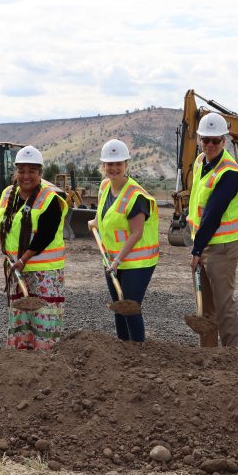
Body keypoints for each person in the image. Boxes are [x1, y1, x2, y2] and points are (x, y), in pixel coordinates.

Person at [0, 145, 69, 350]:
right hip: (18, 269)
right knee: (22, 317)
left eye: (32, 171)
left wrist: (22, 260)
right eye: (21, 170)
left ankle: (44, 361)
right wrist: (1, 233)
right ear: (15, 171)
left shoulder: (50, 199)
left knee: (43, 317)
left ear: (40, 173)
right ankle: (21, 360)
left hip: (44, 273)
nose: (26, 176)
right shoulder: (8, 194)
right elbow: (6, 220)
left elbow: (44, 237)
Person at [87, 139, 159, 342]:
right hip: (111, 259)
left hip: (137, 262)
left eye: (118, 163)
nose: (114, 168)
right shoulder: (104, 187)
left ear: (126, 165)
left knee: (129, 306)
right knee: (118, 306)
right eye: (109, 164)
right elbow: (107, 214)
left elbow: (136, 232)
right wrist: (95, 222)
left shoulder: (136, 196)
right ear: (103, 166)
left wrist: (118, 260)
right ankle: (121, 350)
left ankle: (136, 350)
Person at [187, 112, 238, 348]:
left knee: (223, 304)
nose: (209, 145)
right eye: (205, 140)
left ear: (224, 141)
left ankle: (232, 355)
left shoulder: (230, 173)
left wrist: (197, 249)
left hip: (222, 247)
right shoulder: (201, 162)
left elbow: (213, 213)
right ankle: (208, 355)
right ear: (200, 139)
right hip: (203, 243)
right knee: (205, 304)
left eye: (215, 141)